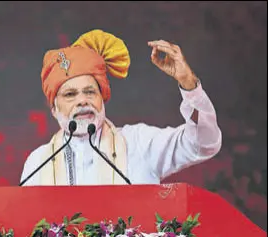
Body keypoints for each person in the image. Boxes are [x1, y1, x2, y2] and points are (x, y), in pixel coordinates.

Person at [20, 29, 222, 186]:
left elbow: (203, 144)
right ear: (54, 109)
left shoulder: (138, 144)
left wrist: (189, 84)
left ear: (102, 98)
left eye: (90, 92)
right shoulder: (39, 162)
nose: (82, 101)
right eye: (70, 94)